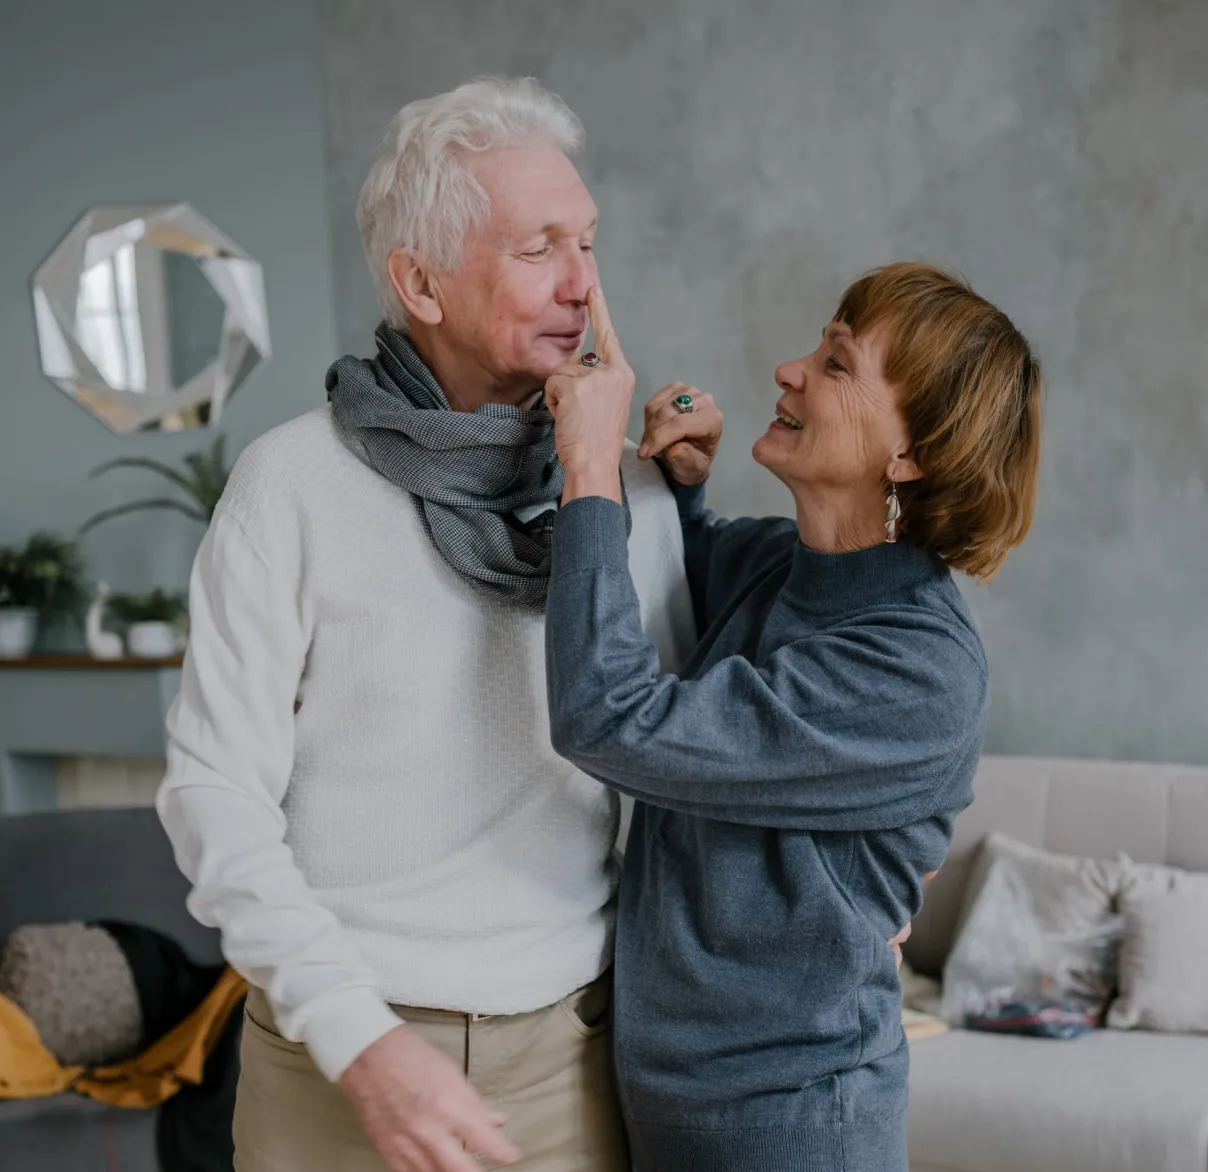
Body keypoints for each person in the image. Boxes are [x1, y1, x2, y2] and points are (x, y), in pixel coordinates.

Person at [156, 77, 697, 1172]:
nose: (584, 282)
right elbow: (213, 796)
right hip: (333, 1067)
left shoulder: (622, 491)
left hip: (573, 1065)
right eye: (539, 248)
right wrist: (359, 1041)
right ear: (420, 281)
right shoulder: (288, 486)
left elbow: (679, 765)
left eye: (586, 241)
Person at [543, 264, 1043, 1171]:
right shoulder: (782, 565)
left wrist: (589, 468)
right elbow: (669, 583)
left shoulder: (917, 670)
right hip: (669, 1106)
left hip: (792, 1134)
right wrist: (679, 488)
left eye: (838, 365)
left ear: (912, 455)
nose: (788, 369)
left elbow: (608, 714)